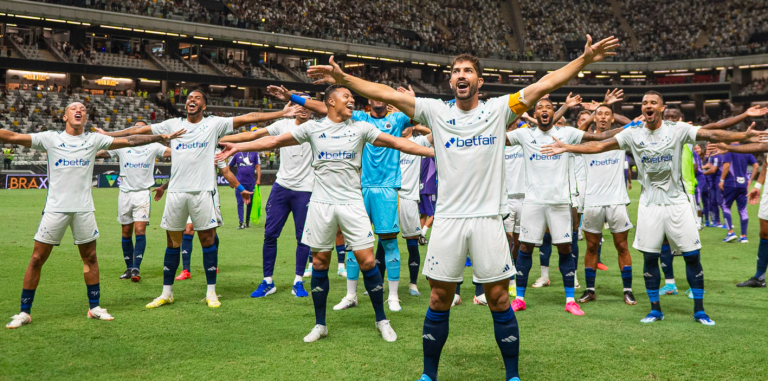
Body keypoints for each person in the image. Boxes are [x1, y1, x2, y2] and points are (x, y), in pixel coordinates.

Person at [306, 35, 620, 381]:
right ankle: (429, 375)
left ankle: (512, 375)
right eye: (455, 70)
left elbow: (545, 83)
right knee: (439, 298)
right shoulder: (435, 111)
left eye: (468, 70)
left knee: (500, 299)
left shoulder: (499, 110)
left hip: (488, 220)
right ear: (450, 80)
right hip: (448, 221)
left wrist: (585, 60)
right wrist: (343, 79)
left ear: (479, 81)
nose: (461, 74)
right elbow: (385, 93)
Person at [216, 84, 435, 343]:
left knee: (367, 261)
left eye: (353, 97)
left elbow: (397, 142)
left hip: (352, 202)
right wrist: (239, 147)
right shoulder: (313, 128)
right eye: (347, 96)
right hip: (321, 203)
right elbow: (273, 140)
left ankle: (381, 319)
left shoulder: (361, 127)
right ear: (331, 102)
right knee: (319, 263)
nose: (352, 100)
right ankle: (320, 325)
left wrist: (434, 151)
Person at [542, 90, 768, 326]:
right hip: (649, 206)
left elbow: (710, 131)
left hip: (677, 202)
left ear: (661, 108)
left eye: (653, 102)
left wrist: (743, 135)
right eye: (644, 103)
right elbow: (600, 145)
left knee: (692, 256)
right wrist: (568, 147)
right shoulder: (633, 133)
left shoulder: (676, 129)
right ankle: (655, 310)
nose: (648, 105)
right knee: (650, 258)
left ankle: (700, 311)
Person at [96, 89, 296, 309]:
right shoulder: (172, 124)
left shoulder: (214, 124)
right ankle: (166, 293)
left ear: (204, 106)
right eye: (189, 98)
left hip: (202, 192)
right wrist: (110, 134)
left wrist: (281, 113)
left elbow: (249, 118)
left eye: (197, 98)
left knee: (208, 240)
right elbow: (140, 130)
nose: (191, 100)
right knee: (172, 242)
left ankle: (211, 293)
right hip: (176, 193)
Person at [2, 102, 182, 329]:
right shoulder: (50, 138)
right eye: (73, 108)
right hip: (55, 209)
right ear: (65, 116)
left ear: (85, 117)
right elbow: (13, 136)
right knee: (37, 259)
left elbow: (130, 140)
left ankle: (94, 307)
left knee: (91, 258)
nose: (79, 111)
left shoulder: (93, 140)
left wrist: (158, 137)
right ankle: (24, 312)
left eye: (83, 109)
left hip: (84, 210)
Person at [269, 85, 416, 312]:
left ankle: (393, 296)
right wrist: (292, 97)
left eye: (381, 95)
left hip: (386, 186)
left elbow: (417, 117)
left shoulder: (397, 118)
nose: (377, 98)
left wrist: (410, 100)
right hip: (356, 188)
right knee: (351, 245)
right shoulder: (358, 118)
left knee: (388, 241)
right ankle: (350, 295)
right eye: (372, 94)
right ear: (368, 98)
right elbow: (322, 106)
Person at [219, 95, 316, 298]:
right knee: (270, 235)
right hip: (281, 187)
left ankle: (298, 281)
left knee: (303, 238)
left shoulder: (317, 128)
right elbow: (254, 136)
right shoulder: (283, 125)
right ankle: (268, 281)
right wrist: (222, 141)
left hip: (306, 189)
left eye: (308, 105)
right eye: (300, 104)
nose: (304, 108)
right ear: (293, 107)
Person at [154, 150, 252, 281]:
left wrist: (241, 189)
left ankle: (213, 260)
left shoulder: (215, 152)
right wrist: (164, 187)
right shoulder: (186, 149)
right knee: (188, 230)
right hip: (188, 195)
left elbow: (226, 172)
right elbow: (179, 174)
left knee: (210, 233)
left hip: (209, 196)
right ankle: (186, 270)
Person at [95, 121, 171, 282]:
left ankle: (136, 267)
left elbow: (172, 152)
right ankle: (129, 267)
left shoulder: (154, 146)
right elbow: (103, 153)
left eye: (141, 128)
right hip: (125, 194)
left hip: (142, 194)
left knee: (140, 230)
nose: (137, 130)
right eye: (135, 128)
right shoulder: (122, 146)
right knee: (126, 232)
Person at [575, 105, 636, 305]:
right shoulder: (585, 139)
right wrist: (593, 113)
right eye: (599, 115)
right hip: (592, 202)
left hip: (616, 201)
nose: (602, 117)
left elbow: (634, 124)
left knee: (622, 246)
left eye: (606, 114)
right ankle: (590, 290)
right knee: (591, 246)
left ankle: (628, 290)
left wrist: (611, 114)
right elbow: (577, 130)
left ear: (612, 119)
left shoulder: (620, 138)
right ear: (593, 118)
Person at [718, 139, 768, 287]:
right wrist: (757, 185)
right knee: (764, 232)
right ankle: (759, 277)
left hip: (731, 184)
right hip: (766, 191)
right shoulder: (766, 133)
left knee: (728, 207)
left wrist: (727, 147)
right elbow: (765, 163)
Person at [398, 125, 433, 297]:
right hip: (388, 196)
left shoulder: (418, 142)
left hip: (409, 198)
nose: (403, 127)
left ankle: (413, 283)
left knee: (412, 244)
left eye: (407, 123)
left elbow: (437, 132)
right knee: (383, 242)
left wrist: (417, 124)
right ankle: (377, 284)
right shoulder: (389, 140)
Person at [718, 144, 758, 243]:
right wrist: (750, 179)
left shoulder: (729, 150)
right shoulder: (746, 150)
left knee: (725, 206)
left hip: (730, 183)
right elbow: (756, 166)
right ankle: (743, 236)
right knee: (743, 209)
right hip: (743, 184)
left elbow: (727, 165)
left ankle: (730, 232)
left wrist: (722, 180)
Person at [228, 151, 261, 229]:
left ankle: (247, 221)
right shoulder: (237, 154)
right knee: (240, 203)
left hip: (251, 182)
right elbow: (228, 167)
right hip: (239, 183)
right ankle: (241, 222)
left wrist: (258, 179)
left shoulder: (255, 153)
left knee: (249, 203)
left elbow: (258, 166)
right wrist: (231, 180)